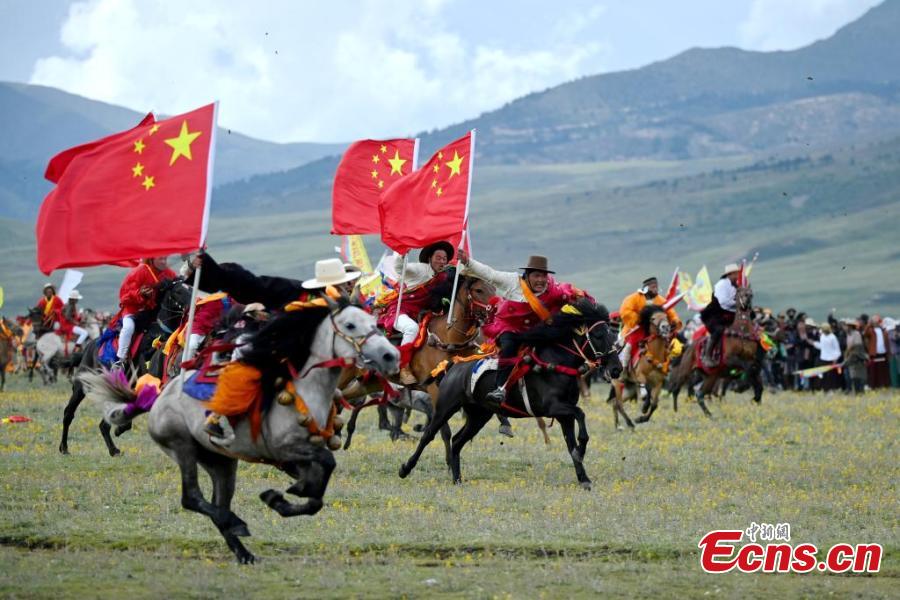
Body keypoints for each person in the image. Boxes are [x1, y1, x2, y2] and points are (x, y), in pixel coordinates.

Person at [457, 250, 590, 402]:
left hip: (535, 330)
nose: (540, 280)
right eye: (536, 276)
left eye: (543, 276)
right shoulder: (513, 282)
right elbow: (490, 274)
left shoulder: (554, 289)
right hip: (509, 326)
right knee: (509, 347)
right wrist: (468, 261)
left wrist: (587, 304)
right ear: (527, 275)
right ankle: (500, 387)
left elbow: (572, 294)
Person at [378, 241, 455, 385]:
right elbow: (399, 268)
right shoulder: (420, 269)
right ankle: (403, 368)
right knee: (411, 328)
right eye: (438, 258)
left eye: (444, 259)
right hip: (400, 310)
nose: (442, 261)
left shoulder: (443, 277)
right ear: (430, 258)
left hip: (420, 314)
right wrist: (402, 253)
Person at [114, 257, 177, 368]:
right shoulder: (139, 271)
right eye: (161, 259)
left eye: (165, 258)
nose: (164, 261)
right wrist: (140, 294)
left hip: (154, 312)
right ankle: (120, 360)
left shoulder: (168, 273)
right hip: (133, 310)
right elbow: (124, 296)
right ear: (151, 259)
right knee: (128, 328)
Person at [617, 276, 682, 367]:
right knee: (629, 346)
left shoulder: (661, 300)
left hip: (656, 330)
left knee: (673, 344)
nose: (656, 289)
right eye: (653, 287)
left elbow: (671, 313)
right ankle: (624, 367)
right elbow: (625, 311)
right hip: (636, 328)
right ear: (646, 288)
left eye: (656, 287)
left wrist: (675, 321)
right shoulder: (633, 298)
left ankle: (670, 365)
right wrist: (638, 319)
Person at [699, 263, 741, 366]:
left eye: (737, 273)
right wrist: (738, 303)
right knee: (719, 330)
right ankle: (707, 355)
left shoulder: (736, 286)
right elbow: (724, 303)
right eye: (735, 274)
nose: (737, 276)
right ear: (729, 274)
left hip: (729, 316)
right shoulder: (721, 285)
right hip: (715, 315)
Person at [863, 315, 892, 389]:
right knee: (874, 371)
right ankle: (874, 385)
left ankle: (884, 385)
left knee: (883, 370)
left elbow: (887, 343)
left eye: (878, 321)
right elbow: (865, 333)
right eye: (875, 321)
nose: (877, 323)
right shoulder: (871, 330)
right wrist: (869, 324)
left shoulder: (884, 331)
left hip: (883, 353)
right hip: (874, 353)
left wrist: (888, 352)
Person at [812, 323, 841, 392]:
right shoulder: (822, 336)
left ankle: (832, 389)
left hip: (831, 360)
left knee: (831, 376)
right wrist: (814, 344)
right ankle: (825, 389)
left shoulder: (833, 337)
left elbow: (837, 350)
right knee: (823, 375)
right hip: (823, 359)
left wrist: (835, 359)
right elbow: (822, 347)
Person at [843, 318, 868, 394]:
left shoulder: (856, 334)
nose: (844, 327)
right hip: (850, 357)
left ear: (850, 326)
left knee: (858, 376)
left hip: (857, 358)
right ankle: (855, 391)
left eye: (846, 326)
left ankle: (860, 392)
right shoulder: (848, 335)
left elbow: (857, 347)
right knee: (852, 376)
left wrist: (850, 357)